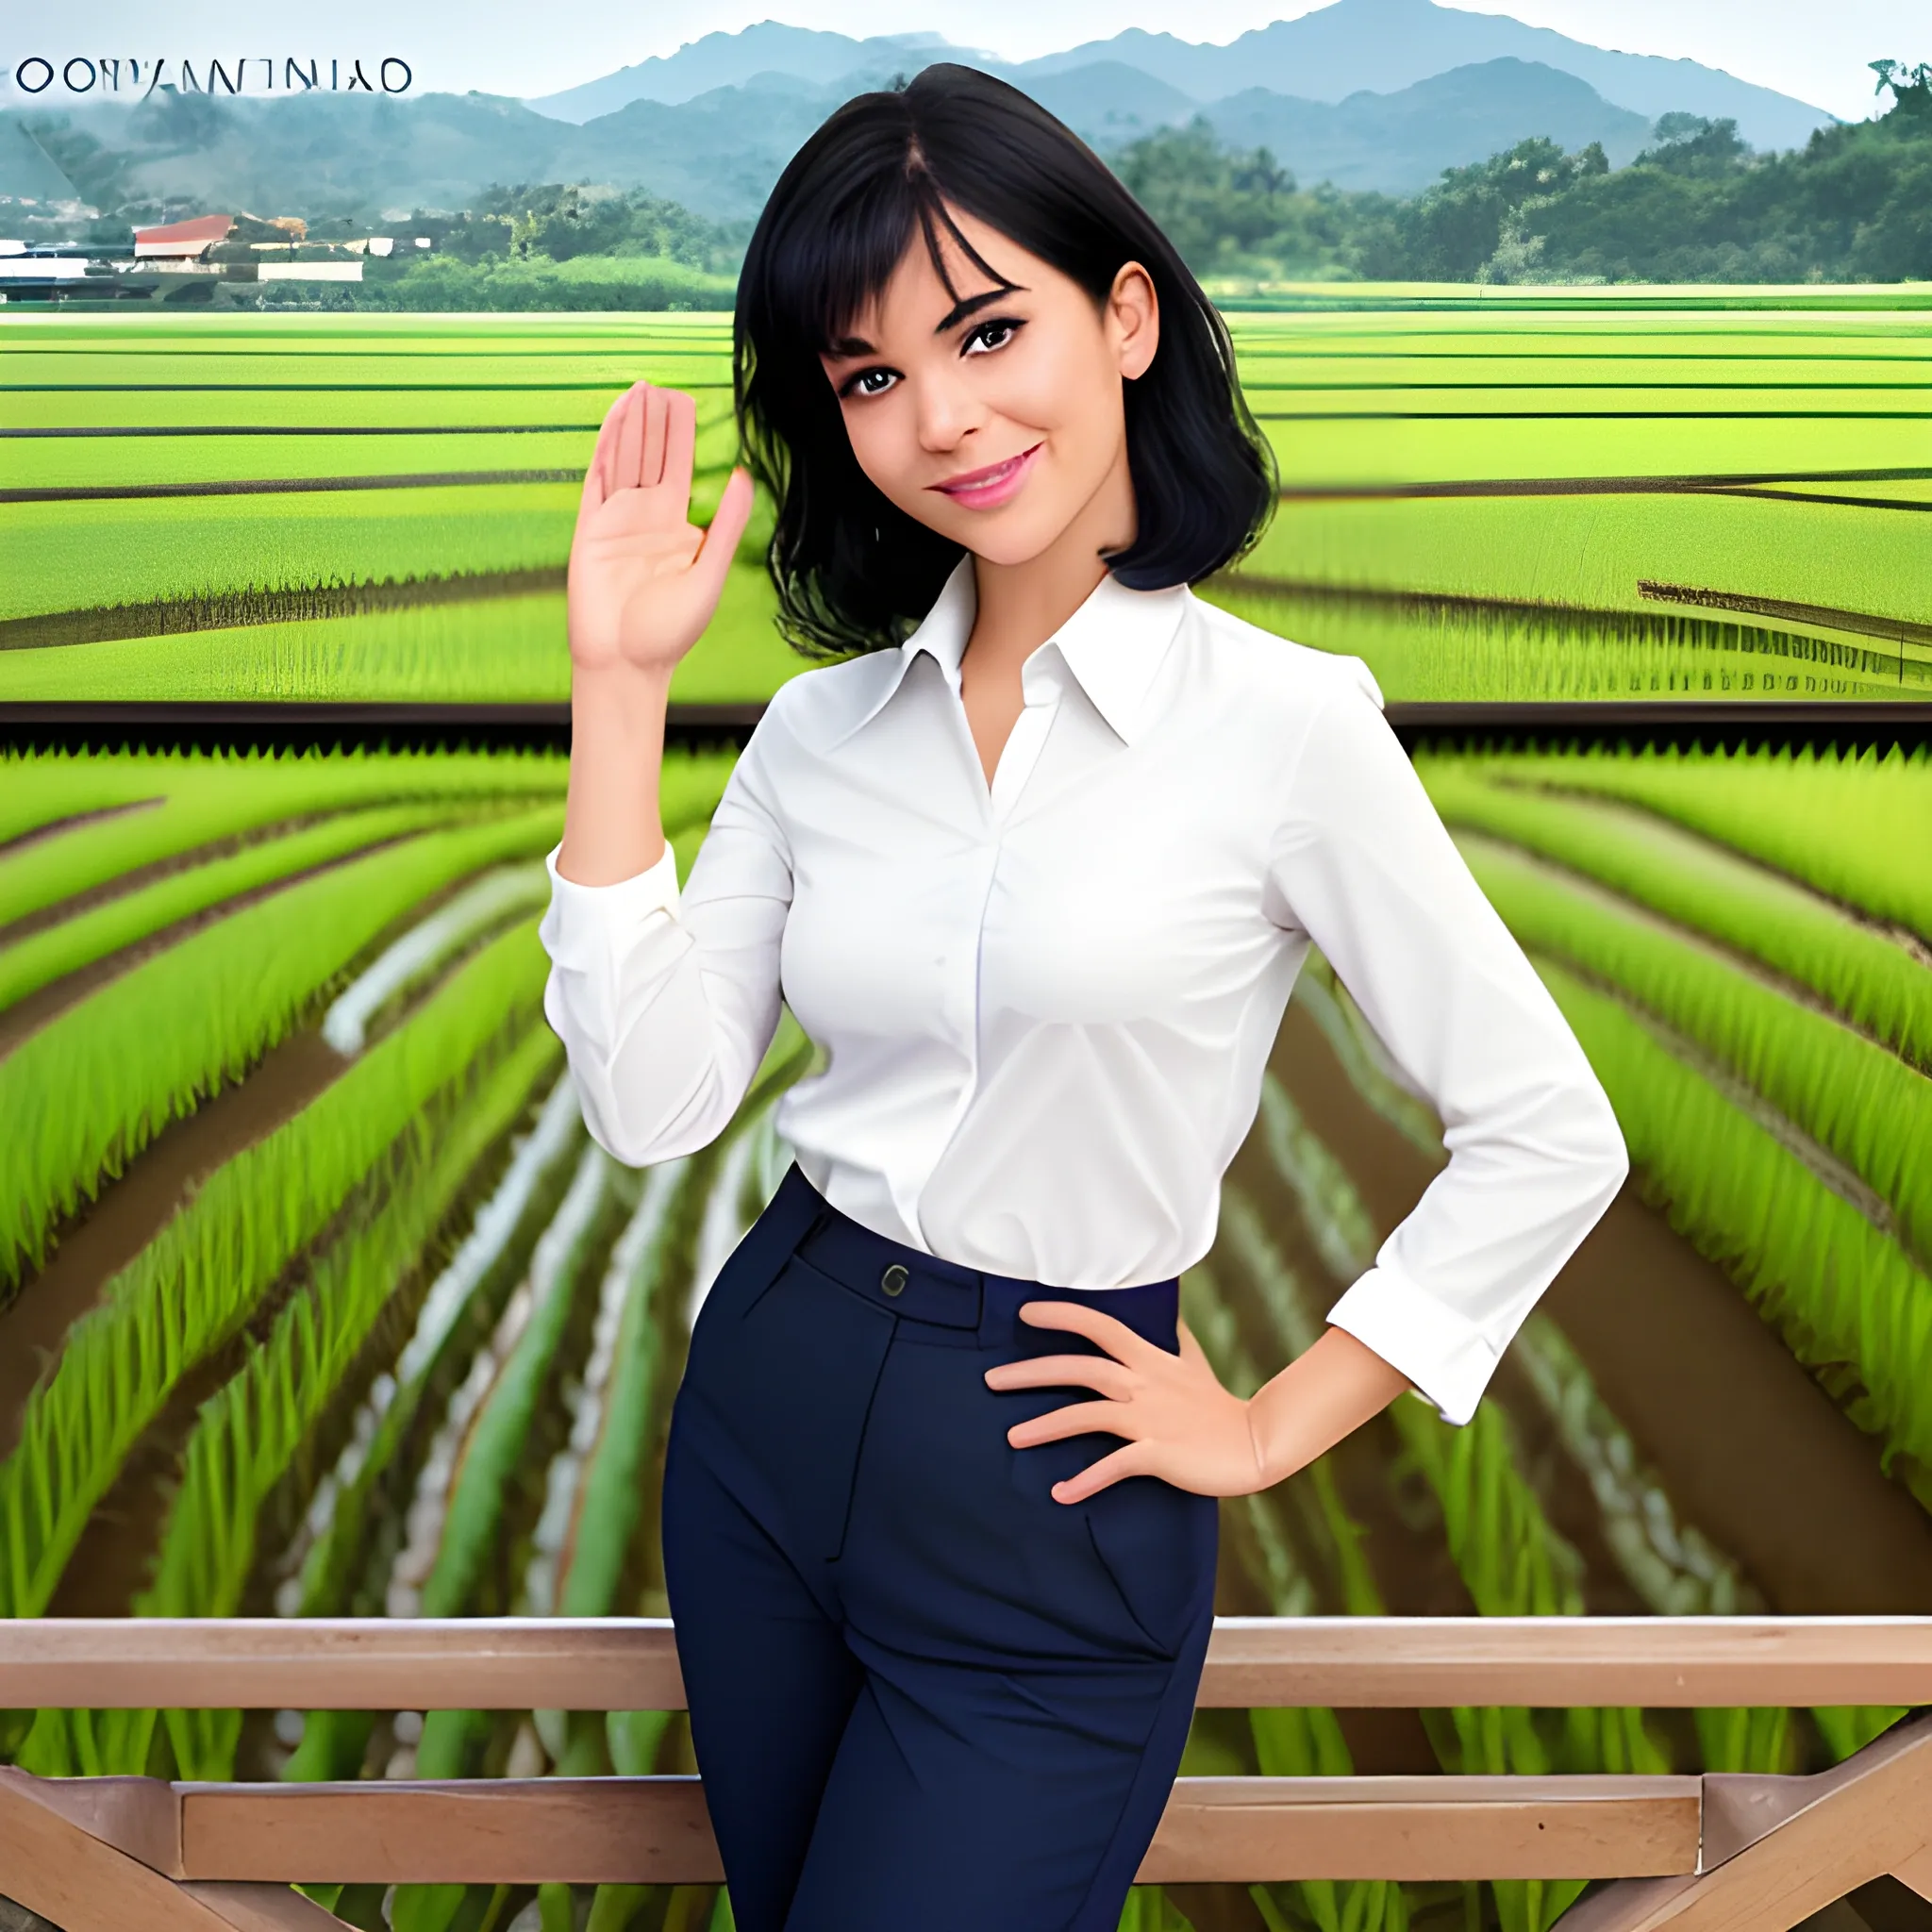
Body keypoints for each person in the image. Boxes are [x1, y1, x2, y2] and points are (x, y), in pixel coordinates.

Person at [536, 61, 1628, 1932]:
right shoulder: (820, 735)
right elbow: (653, 1104)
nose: (939, 418)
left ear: (1124, 316)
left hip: (1051, 1461)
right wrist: (619, 692)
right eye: (870, 376)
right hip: (768, 1414)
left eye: (984, 329)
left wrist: (1272, 1426)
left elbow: (1548, 1131)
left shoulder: (1284, 729)